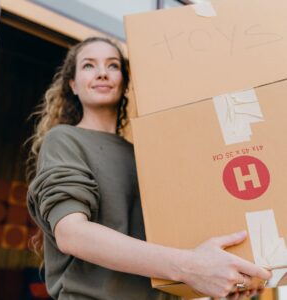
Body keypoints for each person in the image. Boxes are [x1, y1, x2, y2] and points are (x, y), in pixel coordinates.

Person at [26, 36, 271, 300]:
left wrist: (231, 276)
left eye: (113, 66)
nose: (101, 73)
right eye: (88, 65)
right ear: (73, 85)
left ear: (125, 81)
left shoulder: (147, 155)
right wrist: (191, 267)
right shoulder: (64, 139)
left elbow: (180, 242)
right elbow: (72, 234)